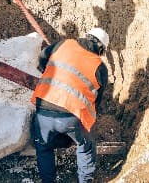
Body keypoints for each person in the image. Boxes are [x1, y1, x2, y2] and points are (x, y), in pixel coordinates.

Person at [31, 27, 110, 183]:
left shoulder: (64, 44)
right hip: (72, 117)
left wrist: (46, 72)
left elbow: (42, 57)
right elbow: (96, 102)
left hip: (43, 112)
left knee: (43, 147)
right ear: (101, 48)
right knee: (85, 146)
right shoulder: (100, 67)